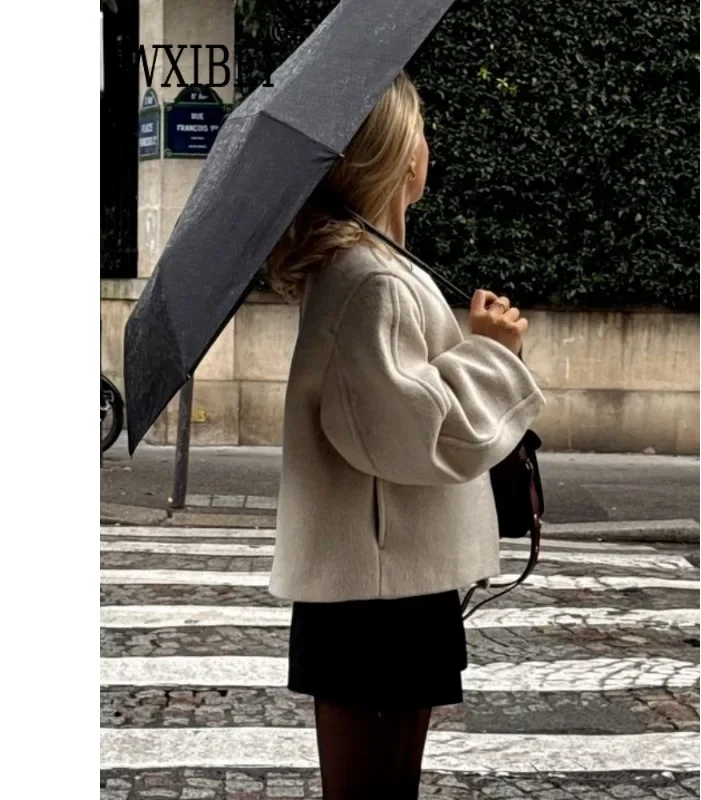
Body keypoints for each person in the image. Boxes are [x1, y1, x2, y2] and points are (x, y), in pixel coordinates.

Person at [266, 71, 546, 800]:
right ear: (395, 154)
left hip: (388, 577)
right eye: (418, 129)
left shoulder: (376, 269)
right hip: (377, 594)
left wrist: (475, 348)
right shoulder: (370, 280)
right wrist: (490, 353)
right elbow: (407, 430)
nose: (429, 144)